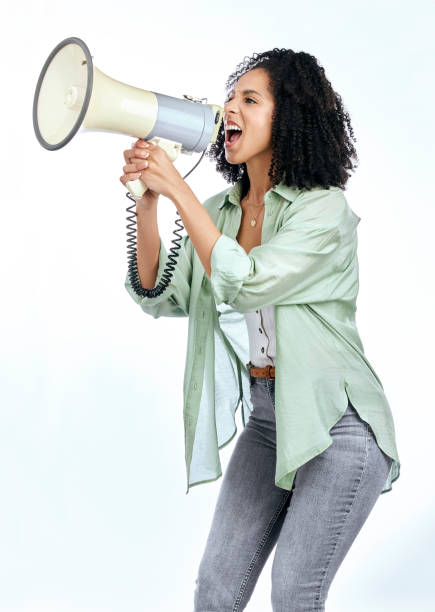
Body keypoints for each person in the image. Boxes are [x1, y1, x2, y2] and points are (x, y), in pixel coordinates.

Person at [121, 48, 401, 611]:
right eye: (231, 97)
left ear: (289, 119)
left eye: (251, 99)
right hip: (269, 418)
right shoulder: (222, 212)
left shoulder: (324, 212)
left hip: (338, 426)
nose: (231, 108)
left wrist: (178, 190)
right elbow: (162, 295)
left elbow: (246, 283)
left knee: (294, 595)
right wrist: (150, 203)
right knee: (215, 594)